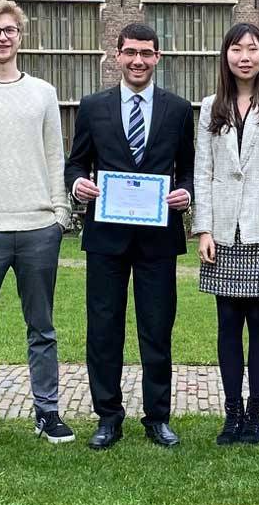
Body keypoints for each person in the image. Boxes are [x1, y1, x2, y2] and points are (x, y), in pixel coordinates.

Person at [0, 1, 75, 450]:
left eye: (9, 30)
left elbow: (53, 154)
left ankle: (47, 411)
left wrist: (60, 214)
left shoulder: (43, 92)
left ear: (20, 36)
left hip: (39, 225)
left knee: (42, 327)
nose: (2, 37)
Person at [66, 23, 195, 449]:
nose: (138, 60)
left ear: (158, 57)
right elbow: (76, 163)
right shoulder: (92, 106)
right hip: (107, 237)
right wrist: (78, 185)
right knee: (103, 329)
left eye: (146, 53)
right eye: (130, 52)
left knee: (156, 329)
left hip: (158, 238)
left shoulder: (177, 109)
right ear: (116, 56)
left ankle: (157, 417)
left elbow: (189, 167)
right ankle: (108, 416)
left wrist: (186, 191)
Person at [193, 22, 259, 445]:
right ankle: (231, 412)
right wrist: (202, 229)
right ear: (227, 56)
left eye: (252, 49)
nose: (245, 57)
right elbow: (204, 171)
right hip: (222, 231)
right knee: (227, 323)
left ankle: (256, 413)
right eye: (237, 49)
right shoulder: (209, 107)